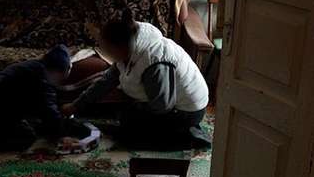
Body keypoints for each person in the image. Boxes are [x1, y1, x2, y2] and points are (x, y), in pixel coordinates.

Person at [62, 12, 211, 150]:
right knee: (123, 115)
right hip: (166, 103)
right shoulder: (128, 48)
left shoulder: (154, 62)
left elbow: (162, 106)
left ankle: (189, 137)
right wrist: (76, 105)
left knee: (128, 135)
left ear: (120, 47)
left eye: (107, 48)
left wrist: (135, 113)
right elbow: (106, 81)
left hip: (185, 112)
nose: (105, 52)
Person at [0, 45, 72, 154]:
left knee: (34, 125)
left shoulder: (35, 67)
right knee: (27, 138)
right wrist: (62, 136)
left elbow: (45, 104)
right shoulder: (43, 78)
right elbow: (49, 109)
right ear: (58, 71)